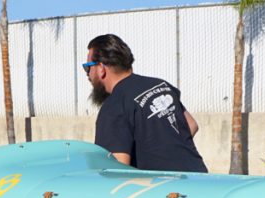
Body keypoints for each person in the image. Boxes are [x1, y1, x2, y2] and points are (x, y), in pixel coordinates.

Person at [85, 34, 207, 174]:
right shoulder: (161, 85)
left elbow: (116, 170)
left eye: (88, 67)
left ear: (101, 68)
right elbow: (191, 125)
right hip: (199, 179)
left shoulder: (114, 105)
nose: (87, 74)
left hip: (164, 191)